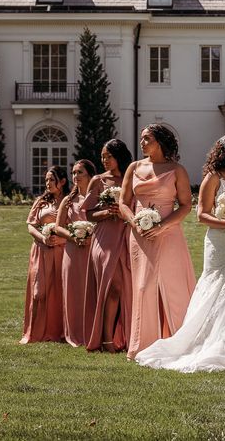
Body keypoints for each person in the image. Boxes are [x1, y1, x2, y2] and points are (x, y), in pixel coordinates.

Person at [135, 133, 225, 371]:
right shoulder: (214, 178)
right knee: (218, 288)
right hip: (221, 243)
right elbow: (201, 214)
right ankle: (212, 342)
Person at [121, 125, 196, 360]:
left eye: (147, 139)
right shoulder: (134, 167)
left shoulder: (176, 170)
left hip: (169, 233)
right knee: (143, 286)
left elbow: (185, 205)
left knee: (173, 285)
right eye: (142, 139)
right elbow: (124, 202)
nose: (142, 143)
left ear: (160, 142)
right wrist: (135, 222)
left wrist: (162, 226)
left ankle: (182, 341)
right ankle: (142, 345)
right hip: (139, 235)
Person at [82, 139, 134, 353]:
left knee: (125, 288)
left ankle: (128, 336)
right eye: (102, 156)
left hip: (127, 235)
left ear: (119, 156)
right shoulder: (98, 180)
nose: (104, 160)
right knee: (111, 288)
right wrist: (107, 212)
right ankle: (106, 339)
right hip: (105, 238)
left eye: (108, 156)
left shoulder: (131, 178)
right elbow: (88, 213)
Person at [20, 166, 69, 344]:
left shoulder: (69, 201)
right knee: (38, 292)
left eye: (51, 179)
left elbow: (75, 226)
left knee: (59, 291)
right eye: (46, 179)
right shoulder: (41, 202)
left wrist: (61, 241)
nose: (47, 183)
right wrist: (43, 238)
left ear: (62, 182)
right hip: (41, 251)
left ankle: (59, 332)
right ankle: (37, 332)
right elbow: (31, 225)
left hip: (62, 252)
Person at [54, 159, 97, 347]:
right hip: (72, 251)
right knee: (73, 291)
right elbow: (57, 227)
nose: (75, 176)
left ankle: (93, 332)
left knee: (91, 291)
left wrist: (90, 236)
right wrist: (74, 236)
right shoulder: (68, 200)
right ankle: (74, 333)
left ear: (90, 175)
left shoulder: (97, 199)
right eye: (73, 172)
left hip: (93, 250)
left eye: (80, 172)